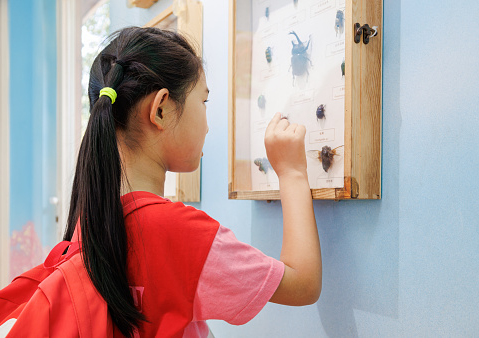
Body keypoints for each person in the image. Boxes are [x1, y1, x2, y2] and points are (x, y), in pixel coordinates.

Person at [63, 26, 322, 338]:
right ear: (160, 109)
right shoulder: (178, 233)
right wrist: (292, 174)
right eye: (204, 101)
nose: (208, 126)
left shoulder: (89, 222)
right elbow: (304, 285)